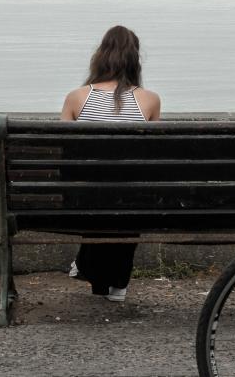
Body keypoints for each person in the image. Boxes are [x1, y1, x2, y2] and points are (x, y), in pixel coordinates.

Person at [61, 25, 161, 302]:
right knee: (126, 193)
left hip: (86, 200)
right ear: (135, 60)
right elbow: (153, 159)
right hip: (130, 201)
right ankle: (119, 284)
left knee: (95, 189)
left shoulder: (77, 97)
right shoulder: (150, 101)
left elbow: (65, 156)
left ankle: (89, 269)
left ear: (100, 57)